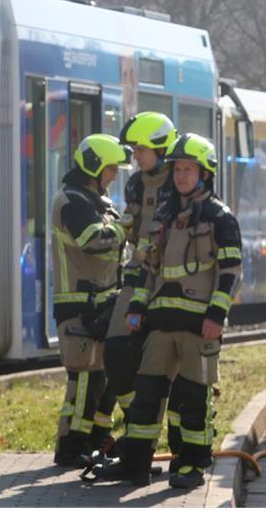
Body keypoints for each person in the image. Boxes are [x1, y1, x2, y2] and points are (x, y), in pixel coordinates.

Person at [94, 133, 242, 488]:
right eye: (177, 169)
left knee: (192, 401)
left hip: (199, 326)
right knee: (145, 398)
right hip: (159, 324)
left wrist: (216, 317)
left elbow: (231, 272)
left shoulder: (220, 218)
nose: (181, 176)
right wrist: (137, 307)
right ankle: (134, 466)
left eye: (189, 170)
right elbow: (148, 267)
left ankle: (191, 465)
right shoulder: (164, 215)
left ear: (205, 174)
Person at [90, 113, 177, 456]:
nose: (134, 157)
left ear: (160, 148)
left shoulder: (179, 182)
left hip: (168, 281)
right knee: (115, 350)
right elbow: (130, 223)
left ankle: (148, 443)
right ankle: (135, 419)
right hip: (137, 276)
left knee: (161, 365)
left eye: (140, 149)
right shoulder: (136, 184)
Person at [50, 133, 131, 468]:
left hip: (102, 303)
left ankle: (96, 440)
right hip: (78, 307)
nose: (113, 175)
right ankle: (71, 446)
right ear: (95, 166)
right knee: (84, 379)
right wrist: (127, 228)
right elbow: (93, 240)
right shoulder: (72, 201)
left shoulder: (98, 199)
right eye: (110, 169)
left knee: (104, 379)